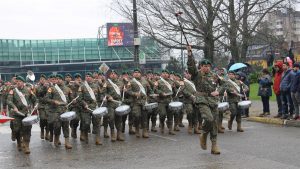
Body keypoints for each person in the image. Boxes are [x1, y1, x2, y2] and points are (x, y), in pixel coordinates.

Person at [187, 46, 221, 155]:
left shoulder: (214, 76)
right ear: (200, 67)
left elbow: (225, 84)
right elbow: (191, 67)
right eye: (204, 66)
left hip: (213, 100)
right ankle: (204, 134)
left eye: (208, 66)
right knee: (209, 119)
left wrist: (219, 91)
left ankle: (214, 145)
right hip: (202, 99)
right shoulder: (196, 75)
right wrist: (190, 54)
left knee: (214, 123)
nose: (206, 68)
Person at [7, 76, 36, 154]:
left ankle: (27, 146)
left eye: (20, 81)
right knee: (17, 130)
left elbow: (34, 99)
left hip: (26, 114)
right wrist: (14, 107)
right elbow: (9, 101)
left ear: (23, 82)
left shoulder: (28, 90)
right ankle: (19, 142)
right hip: (16, 114)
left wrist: (35, 105)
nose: (18, 83)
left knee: (27, 130)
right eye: (17, 82)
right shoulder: (13, 91)